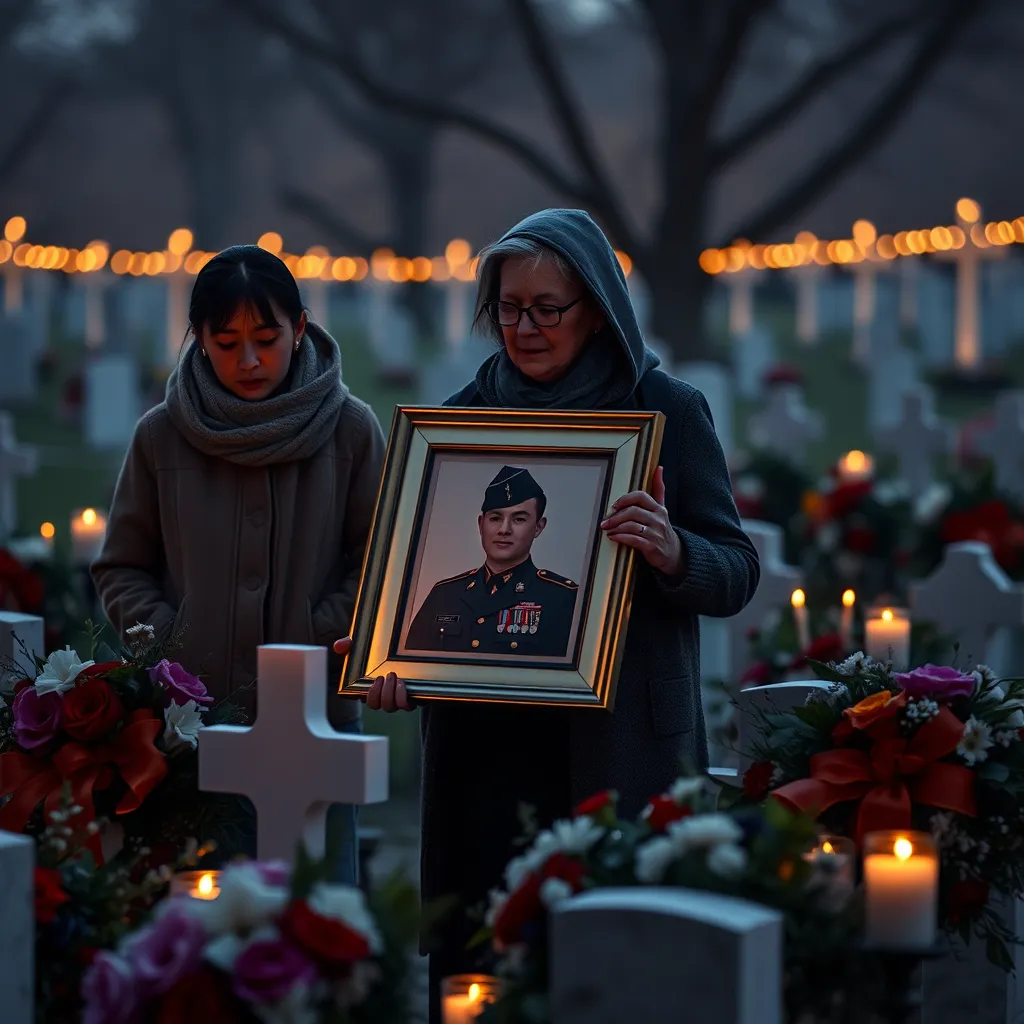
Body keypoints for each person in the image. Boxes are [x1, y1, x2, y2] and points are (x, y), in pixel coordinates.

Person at [334, 207, 759, 1021]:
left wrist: (673, 550)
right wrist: (398, 661)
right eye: (507, 307)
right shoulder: (458, 421)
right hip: (485, 757)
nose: (523, 328)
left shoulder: (666, 410)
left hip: (616, 751)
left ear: (596, 306)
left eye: (546, 308)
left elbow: (735, 571)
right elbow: (433, 597)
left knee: (621, 975)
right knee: (480, 971)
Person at [92, 244, 385, 883]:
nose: (249, 360)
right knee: (204, 924)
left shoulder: (352, 432)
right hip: (192, 732)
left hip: (317, 725)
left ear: (301, 326)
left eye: (266, 337)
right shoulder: (160, 436)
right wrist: (172, 647)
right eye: (225, 341)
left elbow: (379, 566)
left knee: (317, 923)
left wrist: (313, 637)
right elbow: (122, 567)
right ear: (196, 337)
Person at [404, 464, 578, 657]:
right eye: (495, 518)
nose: (504, 529)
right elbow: (411, 671)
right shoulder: (443, 594)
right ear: (481, 524)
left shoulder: (564, 598)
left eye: (519, 519)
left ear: (538, 527)